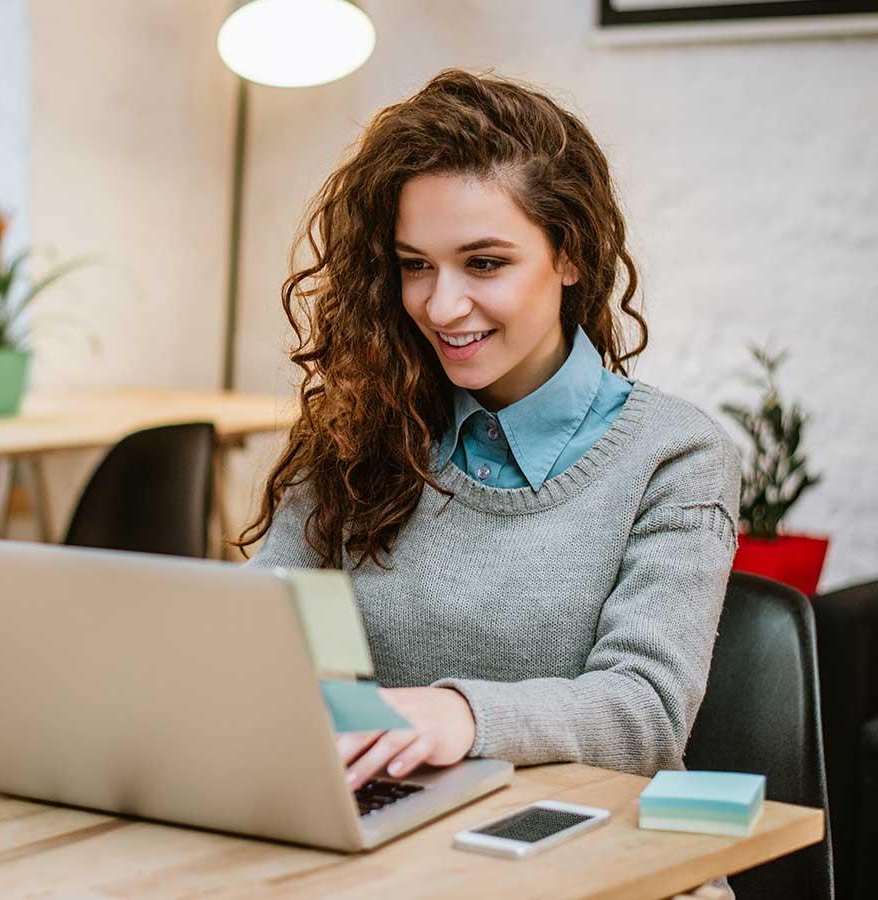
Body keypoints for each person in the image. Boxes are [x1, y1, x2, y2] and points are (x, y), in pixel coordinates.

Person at [239, 68, 742, 808]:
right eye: (415, 266)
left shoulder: (675, 457)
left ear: (570, 254)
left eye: (485, 263)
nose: (442, 305)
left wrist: (463, 715)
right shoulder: (363, 427)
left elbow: (646, 712)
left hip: (590, 851)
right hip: (387, 835)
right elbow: (263, 631)